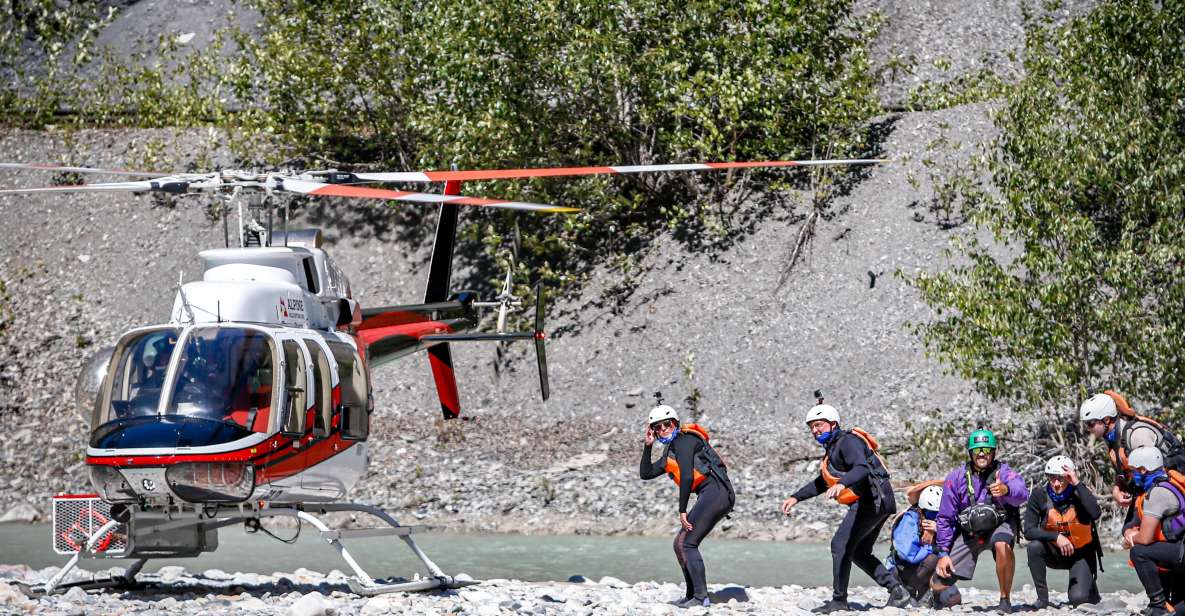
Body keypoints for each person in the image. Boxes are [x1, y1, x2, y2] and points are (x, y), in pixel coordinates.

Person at [780, 399, 909, 613]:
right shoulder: (833, 449)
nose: (814, 430)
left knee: (839, 545)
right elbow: (822, 482)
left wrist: (842, 484)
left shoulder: (848, 442)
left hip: (873, 501)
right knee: (858, 551)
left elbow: (862, 467)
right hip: (879, 501)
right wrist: (796, 497)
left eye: (818, 425)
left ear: (833, 424)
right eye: (811, 427)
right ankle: (897, 591)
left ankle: (839, 600)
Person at [639, 404, 735, 608]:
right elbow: (645, 473)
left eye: (667, 424)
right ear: (653, 431)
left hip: (717, 492)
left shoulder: (684, 440)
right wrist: (647, 447)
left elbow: (688, 476)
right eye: (657, 427)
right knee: (680, 543)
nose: (663, 429)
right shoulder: (669, 453)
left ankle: (701, 597)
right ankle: (692, 595)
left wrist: (682, 510)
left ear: (675, 423)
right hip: (711, 494)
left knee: (688, 543)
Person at [932, 429, 1029, 613]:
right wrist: (943, 553)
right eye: (977, 450)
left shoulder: (1004, 472)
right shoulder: (956, 478)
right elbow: (945, 518)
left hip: (1000, 524)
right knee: (938, 582)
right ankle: (937, 593)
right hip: (970, 531)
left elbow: (1023, 493)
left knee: (1002, 544)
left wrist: (1006, 490)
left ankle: (1004, 600)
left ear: (994, 452)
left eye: (987, 449)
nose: (982, 454)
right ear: (970, 453)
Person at [1080, 391, 1185, 514]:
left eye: (1090, 423)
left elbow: (1153, 476)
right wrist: (1117, 489)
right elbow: (1123, 471)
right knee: (1128, 530)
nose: (1088, 428)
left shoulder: (1136, 435)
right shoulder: (1112, 439)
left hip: (1171, 488)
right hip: (1150, 488)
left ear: (1106, 419)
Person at [1022, 455, 1102, 609]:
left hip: (1080, 555)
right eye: (1052, 479)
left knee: (1078, 599)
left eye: (1061, 479)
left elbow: (1095, 513)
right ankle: (1043, 599)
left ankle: (1090, 588)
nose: (1056, 484)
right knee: (1034, 547)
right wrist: (1056, 536)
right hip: (1054, 553)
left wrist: (1077, 483)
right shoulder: (1039, 496)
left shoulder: (1079, 494)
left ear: (1069, 478)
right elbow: (1029, 531)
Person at [1122, 447, 1185, 616]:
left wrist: (1131, 537)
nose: (1132, 475)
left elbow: (1145, 538)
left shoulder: (1157, 493)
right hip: (1180, 551)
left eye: (1133, 470)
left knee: (1139, 552)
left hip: (1181, 554)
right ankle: (1163, 606)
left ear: (1143, 470)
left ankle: (1159, 605)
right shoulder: (1170, 480)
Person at [886, 483, 958, 607]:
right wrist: (932, 548)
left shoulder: (942, 521)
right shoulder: (910, 520)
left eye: (939, 513)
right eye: (932, 513)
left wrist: (940, 531)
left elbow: (956, 539)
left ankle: (925, 592)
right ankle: (909, 589)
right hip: (902, 570)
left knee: (955, 598)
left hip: (920, 568)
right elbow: (908, 555)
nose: (936, 517)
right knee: (937, 557)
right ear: (923, 509)